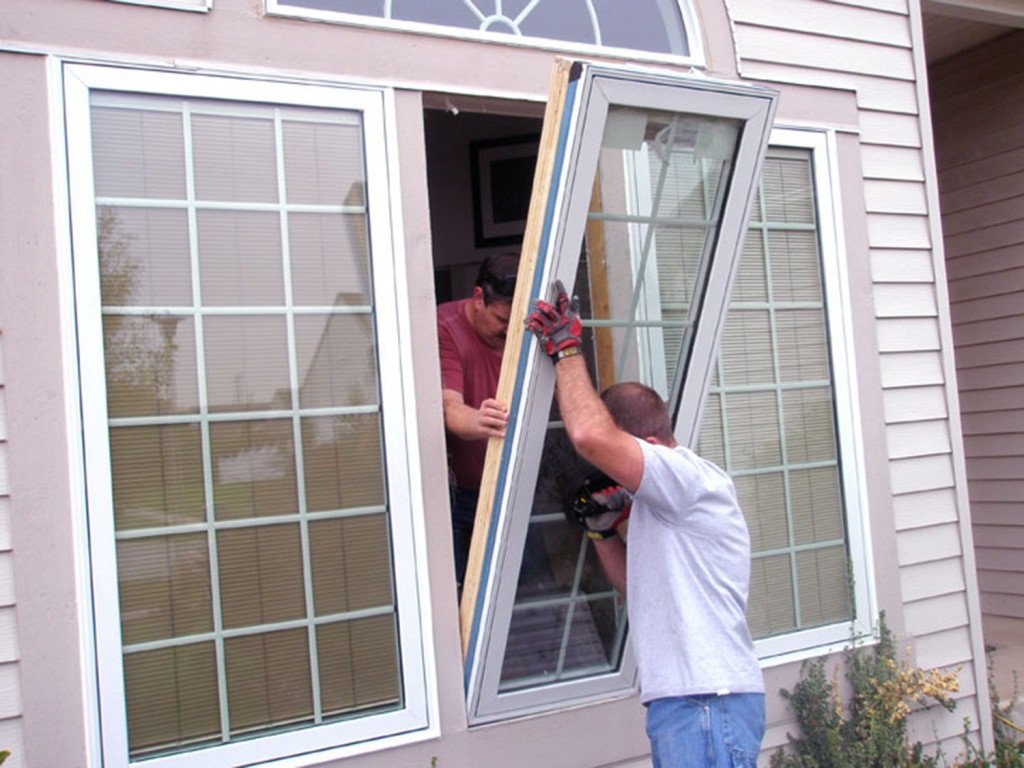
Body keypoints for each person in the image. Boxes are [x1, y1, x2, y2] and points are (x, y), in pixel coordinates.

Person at [525, 279, 765, 768]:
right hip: (690, 702)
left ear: (649, 448)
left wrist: (567, 349)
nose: (614, 478)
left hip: (707, 703)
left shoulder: (687, 478)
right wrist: (601, 529)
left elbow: (591, 434)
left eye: (621, 462)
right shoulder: (664, 502)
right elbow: (637, 585)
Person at [437, 252, 520, 588]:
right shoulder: (444, 328)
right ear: (478, 298)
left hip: (514, 485)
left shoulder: (522, 328)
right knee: (458, 593)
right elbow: (448, 409)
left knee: (518, 585)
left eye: (517, 321)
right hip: (460, 495)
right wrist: (482, 420)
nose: (510, 331)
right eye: (502, 319)